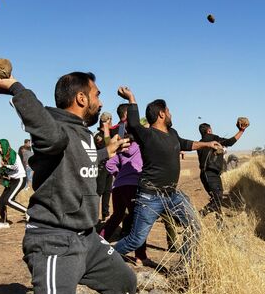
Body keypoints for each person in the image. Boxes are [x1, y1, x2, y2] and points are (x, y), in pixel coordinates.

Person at [0, 67, 136, 294]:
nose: (101, 101)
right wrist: (16, 88)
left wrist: (104, 153)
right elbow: (53, 138)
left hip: (87, 239)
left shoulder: (80, 132)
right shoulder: (56, 127)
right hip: (54, 242)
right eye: (97, 94)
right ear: (81, 98)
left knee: (124, 284)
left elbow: (75, 161)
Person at [114, 86, 220, 264]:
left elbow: (185, 144)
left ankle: (186, 266)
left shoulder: (172, 133)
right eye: (168, 111)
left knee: (195, 225)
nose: (171, 114)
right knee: (135, 240)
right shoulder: (147, 135)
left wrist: (207, 145)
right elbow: (133, 124)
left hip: (172, 195)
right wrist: (131, 98)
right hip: (150, 197)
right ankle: (101, 257)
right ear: (161, 114)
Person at [101, 116, 150, 266]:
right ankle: (140, 256)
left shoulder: (122, 150)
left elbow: (109, 164)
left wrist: (119, 174)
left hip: (118, 187)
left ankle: (99, 242)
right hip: (133, 186)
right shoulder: (141, 148)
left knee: (117, 216)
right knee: (138, 220)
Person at [198, 121, 248, 216]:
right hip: (211, 174)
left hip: (205, 175)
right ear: (209, 130)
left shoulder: (200, 143)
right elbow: (230, 142)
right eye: (211, 130)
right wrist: (241, 131)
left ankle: (220, 224)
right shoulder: (212, 138)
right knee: (218, 200)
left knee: (216, 199)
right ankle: (198, 216)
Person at [0, 139, 27, 229]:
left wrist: (5, 166)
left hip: (20, 179)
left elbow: (15, 167)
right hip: (12, 180)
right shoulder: (4, 155)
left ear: (5, 146)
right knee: (1, 203)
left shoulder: (11, 153)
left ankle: (28, 212)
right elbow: (5, 170)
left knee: (9, 200)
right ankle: (5, 222)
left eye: (1, 148)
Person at [94, 113, 114, 220]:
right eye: (110, 120)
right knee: (99, 192)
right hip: (100, 167)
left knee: (107, 191)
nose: (112, 123)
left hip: (108, 167)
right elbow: (108, 146)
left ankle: (104, 214)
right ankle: (94, 216)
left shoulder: (108, 135)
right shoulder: (98, 136)